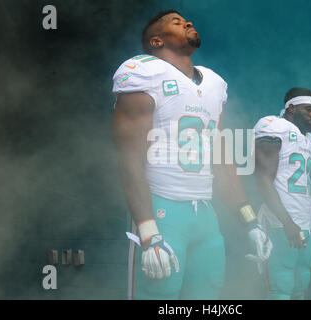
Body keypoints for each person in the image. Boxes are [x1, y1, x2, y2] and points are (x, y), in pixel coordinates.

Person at [111, 9, 272, 300]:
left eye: (188, 21)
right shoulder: (144, 72)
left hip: (204, 214)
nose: (187, 23)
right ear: (157, 41)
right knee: (159, 295)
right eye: (176, 22)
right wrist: (148, 232)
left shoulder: (214, 84)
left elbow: (221, 158)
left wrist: (249, 221)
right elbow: (129, 157)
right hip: (162, 210)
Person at [253, 87, 311, 300]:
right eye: (308, 109)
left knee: (300, 288)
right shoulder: (273, 126)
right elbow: (263, 181)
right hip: (280, 225)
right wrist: (287, 222)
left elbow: (305, 191)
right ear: (291, 108)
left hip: (303, 227)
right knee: (280, 289)